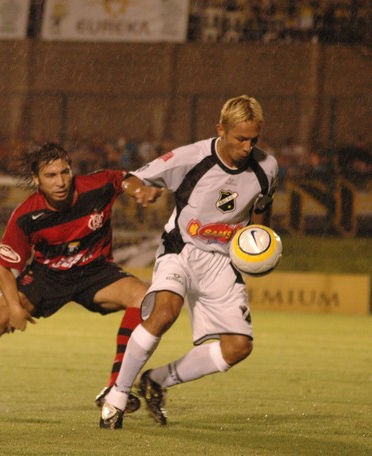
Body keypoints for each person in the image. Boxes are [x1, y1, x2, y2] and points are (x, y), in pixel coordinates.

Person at [0, 142, 147, 415]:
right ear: (36, 180)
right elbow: (2, 267)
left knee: (144, 298)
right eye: (51, 176)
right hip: (46, 277)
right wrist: (15, 307)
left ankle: (115, 389)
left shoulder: (96, 185)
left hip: (94, 271)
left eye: (64, 173)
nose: (61, 182)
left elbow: (125, 179)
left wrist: (140, 190)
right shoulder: (26, 215)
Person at [99, 95, 279, 429]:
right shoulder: (191, 157)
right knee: (164, 311)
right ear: (220, 130)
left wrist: (261, 245)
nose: (247, 147)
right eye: (240, 138)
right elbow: (133, 178)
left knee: (238, 347)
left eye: (254, 139)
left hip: (223, 262)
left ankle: (156, 381)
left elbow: (261, 207)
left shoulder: (267, 166)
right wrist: (142, 192)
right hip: (181, 249)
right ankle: (117, 396)